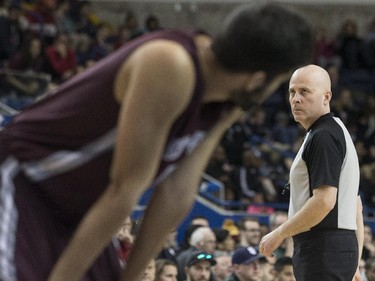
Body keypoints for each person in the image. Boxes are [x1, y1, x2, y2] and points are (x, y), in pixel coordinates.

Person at [0, 2, 313, 281]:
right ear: (257, 79)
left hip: (77, 206)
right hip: (24, 179)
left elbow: (177, 194)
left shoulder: (226, 101)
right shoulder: (171, 64)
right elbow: (124, 190)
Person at [259, 64, 364, 281]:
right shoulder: (334, 130)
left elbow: (324, 201)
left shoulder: (323, 136)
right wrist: (354, 262)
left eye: (304, 91)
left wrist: (279, 233)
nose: (296, 98)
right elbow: (356, 206)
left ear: (326, 97)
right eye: (292, 92)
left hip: (322, 249)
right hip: (336, 249)